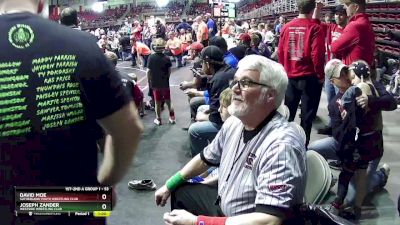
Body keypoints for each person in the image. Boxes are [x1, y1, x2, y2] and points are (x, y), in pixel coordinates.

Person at [0, 1, 143, 225]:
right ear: (40, 4)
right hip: (76, 201)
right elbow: (130, 128)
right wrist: (105, 183)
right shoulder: (82, 44)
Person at [155, 55, 306, 225]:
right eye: (235, 81)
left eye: (246, 83)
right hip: (225, 205)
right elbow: (205, 159)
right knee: (181, 190)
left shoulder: (281, 146)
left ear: (270, 95)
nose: (235, 88)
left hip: (248, 220)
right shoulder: (234, 123)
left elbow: (270, 220)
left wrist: (198, 222)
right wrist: (170, 183)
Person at [308, 59, 396, 219]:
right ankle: (325, 180)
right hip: (345, 143)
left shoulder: (369, 85)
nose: (346, 76)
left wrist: (370, 100)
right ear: (333, 81)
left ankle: (380, 175)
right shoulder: (334, 103)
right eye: (340, 75)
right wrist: (346, 155)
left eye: (345, 71)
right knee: (311, 151)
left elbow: (391, 102)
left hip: (370, 146)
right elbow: (338, 134)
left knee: (353, 198)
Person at [278, 0, 325, 146]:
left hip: (290, 77)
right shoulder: (315, 28)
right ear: (312, 9)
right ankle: (302, 149)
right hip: (309, 78)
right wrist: (320, 76)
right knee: (307, 117)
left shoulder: (286, 27)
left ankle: (284, 145)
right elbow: (317, 55)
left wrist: (285, 69)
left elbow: (280, 51)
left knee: (288, 114)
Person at [186, 46, 236, 156]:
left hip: (227, 121)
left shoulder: (218, 79)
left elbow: (216, 116)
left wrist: (203, 117)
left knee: (194, 130)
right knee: (201, 108)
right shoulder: (228, 70)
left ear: (208, 64)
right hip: (231, 115)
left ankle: (205, 159)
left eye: (203, 62)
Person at [313, 3, 348, 135]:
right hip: (329, 71)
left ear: (346, 15)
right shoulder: (331, 28)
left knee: (341, 101)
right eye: (336, 14)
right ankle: (331, 125)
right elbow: (315, 21)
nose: (338, 16)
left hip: (342, 73)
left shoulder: (349, 30)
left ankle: (341, 127)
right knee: (331, 100)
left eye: (341, 14)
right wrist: (318, 9)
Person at [331, 0, 375, 67]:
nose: (345, 7)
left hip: (353, 73)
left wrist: (335, 40)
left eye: (347, 5)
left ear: (356, 7)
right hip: (362, 70)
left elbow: (334, 48)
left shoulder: (354, 25)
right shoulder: (366, 22)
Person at [147, 38, 175, 125]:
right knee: (168, 102)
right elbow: (169, 70)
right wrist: (167, 78)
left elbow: (148, 71)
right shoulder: (167, 58)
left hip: (155, 84)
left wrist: (149, 80)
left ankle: (158, 119)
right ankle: (172, 118)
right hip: (165, 83)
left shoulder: (151, 58)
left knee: (157, 102)